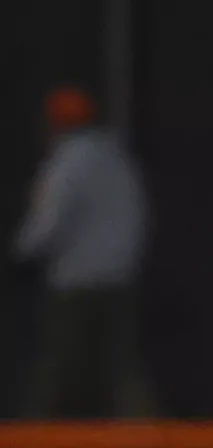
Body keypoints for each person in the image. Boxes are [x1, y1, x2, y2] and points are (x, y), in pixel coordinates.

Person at [12, 85, 150, 419]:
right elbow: (139, 214)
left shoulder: (68, 162)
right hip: (119, 277)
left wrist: (21, 255)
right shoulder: (113, 155)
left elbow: (49, 222)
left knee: (58, 368)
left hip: (77, 283)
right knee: (121, 371)